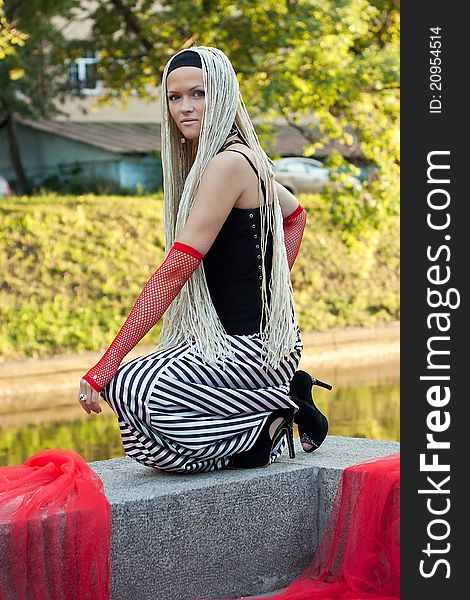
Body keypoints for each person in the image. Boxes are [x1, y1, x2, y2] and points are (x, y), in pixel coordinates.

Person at [77, 46, 329, 474]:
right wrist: (274, 289)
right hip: (220, 343)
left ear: (224, 94)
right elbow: (296, 215)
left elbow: (177, 269)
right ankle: (266, 425)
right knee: (145, 442)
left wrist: (105, 362)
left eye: (198, 93)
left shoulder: (230, 162)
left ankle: (279, 401)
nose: (185, 107)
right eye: (175, 97)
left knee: (130, 383)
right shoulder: (220, 158)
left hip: (253, 347)